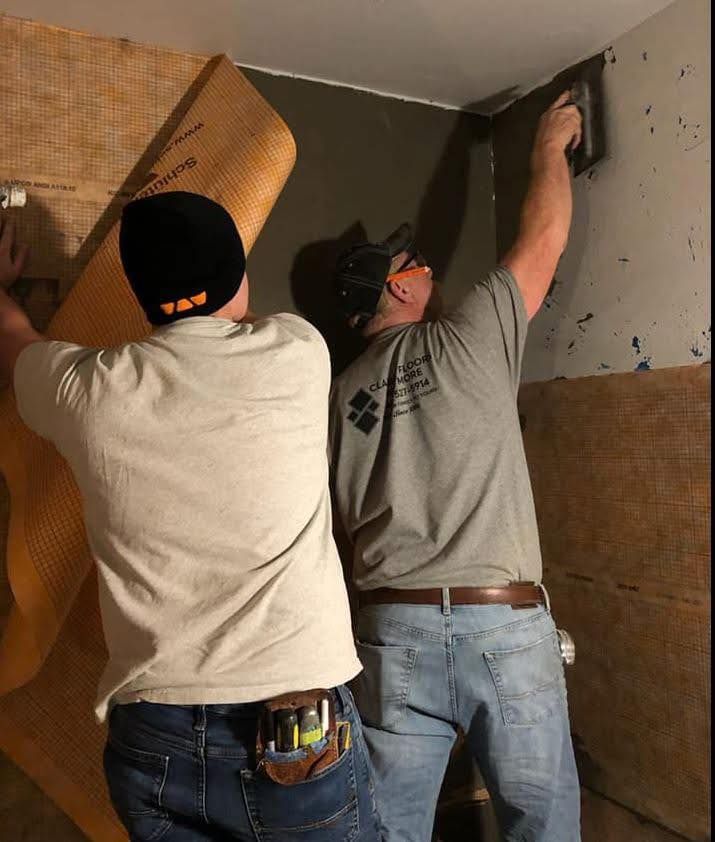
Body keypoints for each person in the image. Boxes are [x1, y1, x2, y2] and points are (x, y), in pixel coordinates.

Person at [0, 192, 380, 841]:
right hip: (290, 731)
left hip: (153, 732)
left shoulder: (86, 390)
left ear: (140, 294)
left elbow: (14, 342)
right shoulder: (297, 351)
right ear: (237, 274)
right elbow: (236, 320)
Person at [328, 92, 583, 841]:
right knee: (542, 827)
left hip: (387, 629)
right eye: (416, 265)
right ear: (400, 288)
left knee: (388, 832)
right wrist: (547, 146)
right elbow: (542, 239)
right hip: (499, 625)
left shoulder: (330, 396)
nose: (429, 270)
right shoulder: (467, 340)